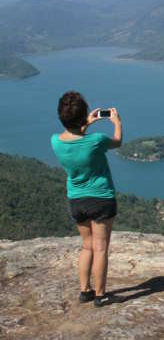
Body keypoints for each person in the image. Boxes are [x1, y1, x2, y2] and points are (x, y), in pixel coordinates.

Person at [50, 91, 122, 307]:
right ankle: (100, 296)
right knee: (100, 248)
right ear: (82, 116)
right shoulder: (97, 141)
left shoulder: (55, 142)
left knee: (87, 247)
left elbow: (74, 140)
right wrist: (116, 122)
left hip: (77, 201)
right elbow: (117, 142)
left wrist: (85, 125)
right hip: (101, 199)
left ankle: (85, 291)